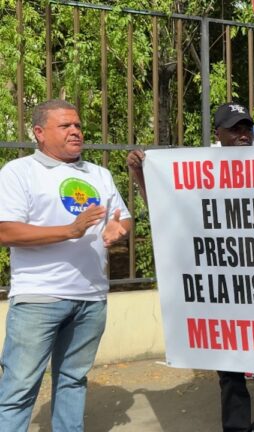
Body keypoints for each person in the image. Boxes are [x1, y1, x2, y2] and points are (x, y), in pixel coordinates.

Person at [129, 34, 254, 432]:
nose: (244, 135)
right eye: (235, 129)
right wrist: (138, 174)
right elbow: (169, 216)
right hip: (225, 289)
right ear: (218, 133)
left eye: (247, 127)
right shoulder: (201, 171)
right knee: (229, 370)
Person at [0, 99, 133, 431]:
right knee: (19, 389)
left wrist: (119, 230)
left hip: (91, 298)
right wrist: (69, 231)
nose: (75, 131)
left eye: (77, 125)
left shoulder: (98, 174)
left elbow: (124, 218)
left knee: (73, 380)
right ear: (40, 133)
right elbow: (6, 230)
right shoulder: (19, 172)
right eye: (65, 126)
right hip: (39, 298)